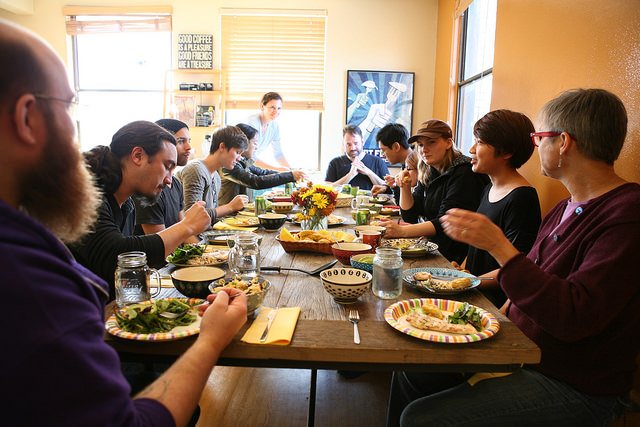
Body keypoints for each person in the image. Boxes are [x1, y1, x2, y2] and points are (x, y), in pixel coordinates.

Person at [0, 19, 247, 426]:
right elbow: (114, 255)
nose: (74, 132)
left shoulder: (125, 201)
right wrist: (211, 339)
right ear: (28, 117)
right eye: (67, 107)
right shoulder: (28, 285)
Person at [390, 89, 639, 426]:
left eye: (540, 137)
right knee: (409, 371)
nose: (536, 146)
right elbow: (531, 279)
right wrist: (492, 322)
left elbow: (574, 315)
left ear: (563, 142)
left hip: (571, 381)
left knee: (420, 419)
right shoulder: (566, 207)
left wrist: (498, 247)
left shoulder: (626, 215)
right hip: (519, 347)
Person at [70, 120, 212, 298]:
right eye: (167, 167)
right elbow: (116, 255)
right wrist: (187, 226)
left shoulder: (127, 204)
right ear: (138, 156)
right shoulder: (87, 193)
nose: (169, 180)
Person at [462, 109, 542, 307]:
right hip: (471, 293)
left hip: (491, 304)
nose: (471, 149)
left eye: (479, 142)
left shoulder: (522, 197)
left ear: (506, 152)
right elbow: (477, 246)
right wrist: (462, 269)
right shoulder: (489, 187)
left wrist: (470, 282)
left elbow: (518, 265)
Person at [380, 120, 489, 264]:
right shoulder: (430, 170)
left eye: (431, 142)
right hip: (433, 249)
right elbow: (410, 217)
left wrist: (401, 231)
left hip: (455, 258)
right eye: (420, 145)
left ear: (448, 143)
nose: (424, 149)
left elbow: (445, 221)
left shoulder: (464, 172)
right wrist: (404, 188)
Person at [134, 118, 198, 243]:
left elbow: (184, 232)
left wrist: (209, 254)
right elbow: (159, 246)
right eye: (181, 141)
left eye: (189, 141)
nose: (189, 147)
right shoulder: (149, 188)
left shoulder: (176, 184)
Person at [218, 123, 307, 204]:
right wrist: (290, 176)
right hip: (228, 216)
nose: (256, 147)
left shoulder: (243, 161)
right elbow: (256, 181)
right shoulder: (228, 165)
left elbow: (262, 173)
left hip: (239, 213)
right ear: (243, 143)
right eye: (255, 143)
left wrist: (290, 175)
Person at [178, 125, 249, 223]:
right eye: (237, 152)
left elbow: (211, 219)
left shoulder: (216, 177)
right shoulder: (196, 170)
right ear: (222, 147)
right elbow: (191, 217)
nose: (239, 158)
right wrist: (230, 207)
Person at [325, 124, 389, 191]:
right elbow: (327, 190)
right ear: (343, 144)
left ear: (362, 142)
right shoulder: (334, 163)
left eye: (356, 143)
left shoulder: (378, 162)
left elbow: (387, 188)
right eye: (348, 144)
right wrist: (350, 175)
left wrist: (369, 172)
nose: (353, 148)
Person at [370, 123, 419, 203]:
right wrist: (392, 187)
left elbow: (413, 207)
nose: (382, 155)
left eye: (383, 150)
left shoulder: (420, 165)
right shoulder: (405, 165)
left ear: (396, 147)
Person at [247, 91, 291, 171]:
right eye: (272, 107)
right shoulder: (251, 123)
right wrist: (276, 169)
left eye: (279, 108)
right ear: (262, 106)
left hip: (250, 165)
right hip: (238, 164)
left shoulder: (275, 126)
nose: (276, 111)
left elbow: (278, 153)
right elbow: (250, 156)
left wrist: (290, 170)